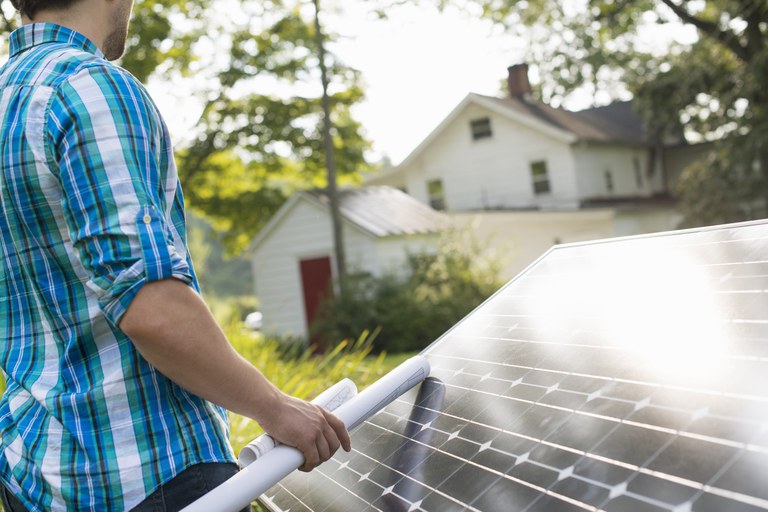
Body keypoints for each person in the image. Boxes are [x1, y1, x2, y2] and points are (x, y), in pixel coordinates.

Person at [0, 1, 351, 510]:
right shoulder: (88, 88)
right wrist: (274, 408)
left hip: (39, 479)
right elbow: (152, 309)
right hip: (148, 474)